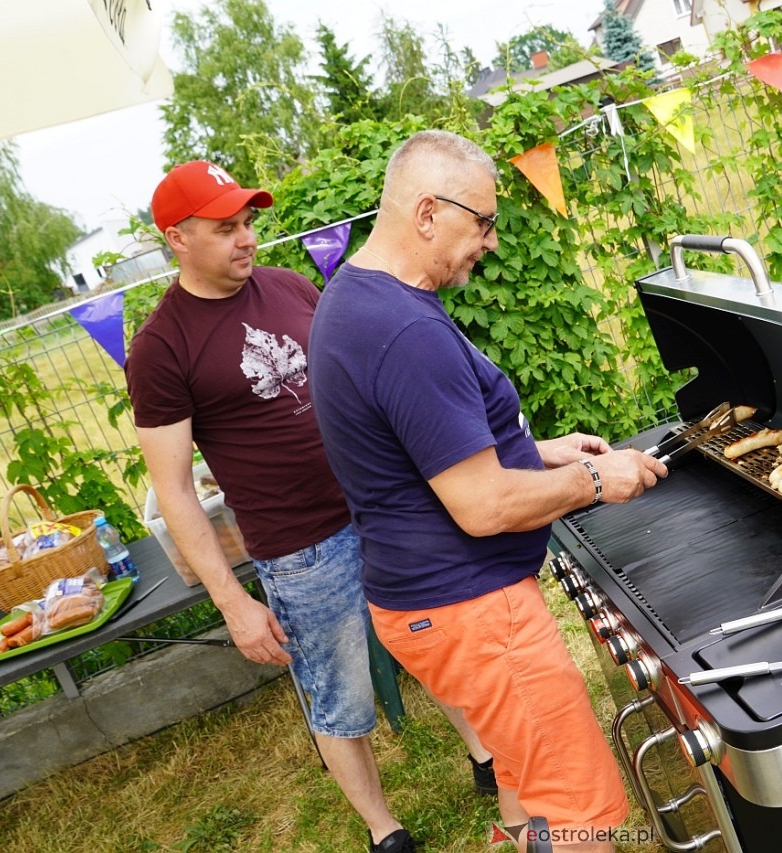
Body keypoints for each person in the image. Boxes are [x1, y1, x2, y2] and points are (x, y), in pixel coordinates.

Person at [309, 130, 669, 853]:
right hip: (472, 611)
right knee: (577, 809)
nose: (491, 243)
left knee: (520, 767)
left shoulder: (354, 297)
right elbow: (481, 506)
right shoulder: (403, 329)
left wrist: (534, 451)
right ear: (427, 213)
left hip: (424, 605)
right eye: (483, 223)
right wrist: (597, 478)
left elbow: (423, 452)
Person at [124, 160, 495, 853]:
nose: (246, 239)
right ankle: (384, 829)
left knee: (432, 638)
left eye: (248, 222)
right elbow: (174, 489)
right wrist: (233, 602)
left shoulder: (292, 286)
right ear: (176, 238)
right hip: (299, 550)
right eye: (225, 228)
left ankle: (484, 754)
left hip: (378, 507)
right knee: (339, 691)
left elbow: (359, 378)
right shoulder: (160, 348)